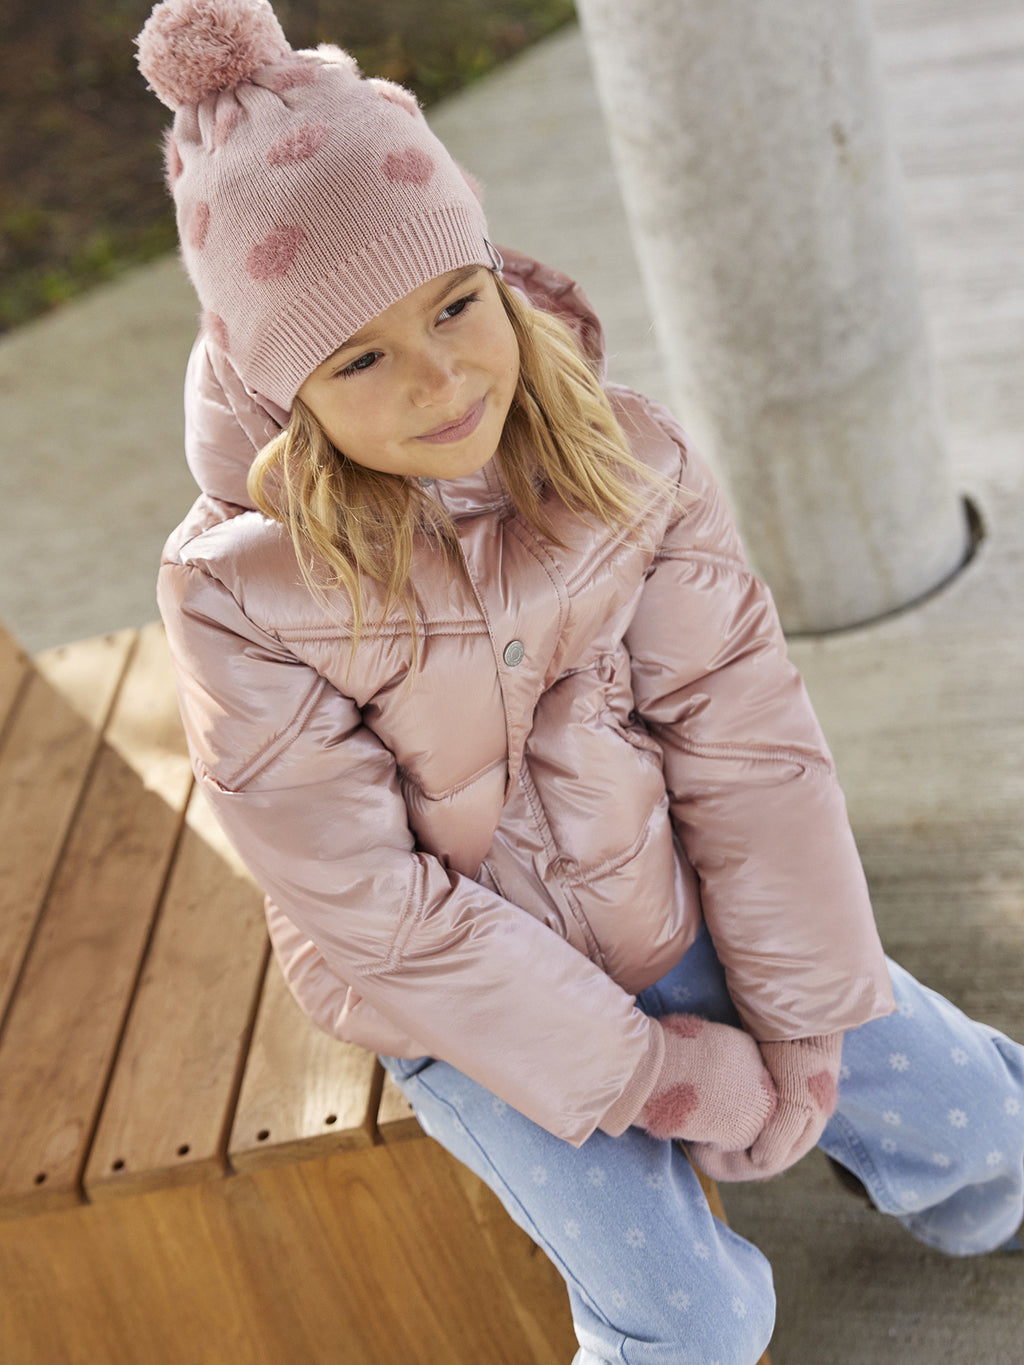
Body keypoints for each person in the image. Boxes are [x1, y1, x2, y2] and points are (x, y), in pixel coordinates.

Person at [137, 1, 1024, 1359]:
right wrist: (660, 1077)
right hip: (462, 1006)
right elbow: (376, 907)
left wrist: (800, 1020)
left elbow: (746, 743)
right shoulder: (238, 592)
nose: (441, 376)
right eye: (361, 356)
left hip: (669, 896)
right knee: (687, 1316)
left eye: (456, 304)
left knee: (971, 1111)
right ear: (281, 392)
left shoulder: (627, 460)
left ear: (494, 276)